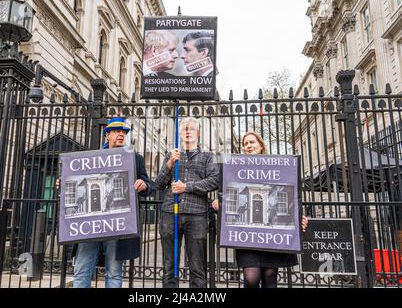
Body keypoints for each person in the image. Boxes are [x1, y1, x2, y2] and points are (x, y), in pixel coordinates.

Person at [212, 131, 309, 288]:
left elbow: (292, 193)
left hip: (272, 233)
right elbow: (227, 191)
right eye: (245, 144)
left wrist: (299, 217)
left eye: (251, 142)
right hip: (247, 234)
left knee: (270, 276)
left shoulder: (278, 165)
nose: (248, 146)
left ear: (261, 144)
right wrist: (220, 202)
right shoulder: (235, 167)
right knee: (251, 277)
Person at [64, 117, 153, 288]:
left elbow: (150, 187)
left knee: (114, 272)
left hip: (116, 224)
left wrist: (144, 185)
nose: (121, 134)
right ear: (107, 135)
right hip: (89, 223)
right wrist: (63, 183)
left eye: (124, 132)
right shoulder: (91, 158)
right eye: (117, 131)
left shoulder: (135, 159)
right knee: (82, 270)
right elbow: (76, 183)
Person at [156, 117, 219, 288]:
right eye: (185, 129)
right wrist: (169, 164)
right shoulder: (172, 155)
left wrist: (187, 187)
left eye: (192, 129)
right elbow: (159, 184)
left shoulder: (207, 157)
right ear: (180, 134)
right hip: (170, 213)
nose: (188, 132)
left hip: (197, 215)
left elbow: (214, 180)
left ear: (198, 133)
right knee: (169, 266)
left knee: (197, 266)